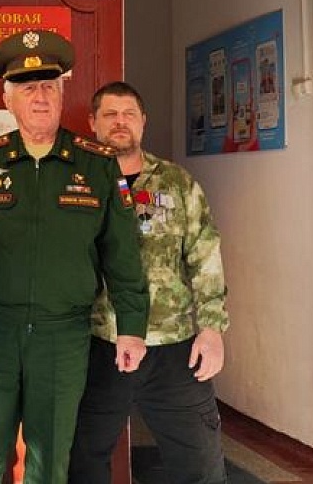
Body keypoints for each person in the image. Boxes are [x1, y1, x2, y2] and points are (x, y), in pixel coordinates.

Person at [0, 30, 149, 484]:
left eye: (49, 87)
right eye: (28, 87)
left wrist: (132, 328)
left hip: (63, 334)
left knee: (50, 454)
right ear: (8, 99)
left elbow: (122, 252)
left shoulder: (97, 164)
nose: (40, 97)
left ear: (61, 95)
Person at [69, 81, 231, 484]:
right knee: (82, 462)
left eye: (129, 114)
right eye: (109, 114)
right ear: (92, 122)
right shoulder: (75, 184)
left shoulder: (176, 182)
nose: (119, 122)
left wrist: (212, 329)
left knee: (200, 467)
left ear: (143, 121)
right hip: (99, 342)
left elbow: (205, 254)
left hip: (173, 346)